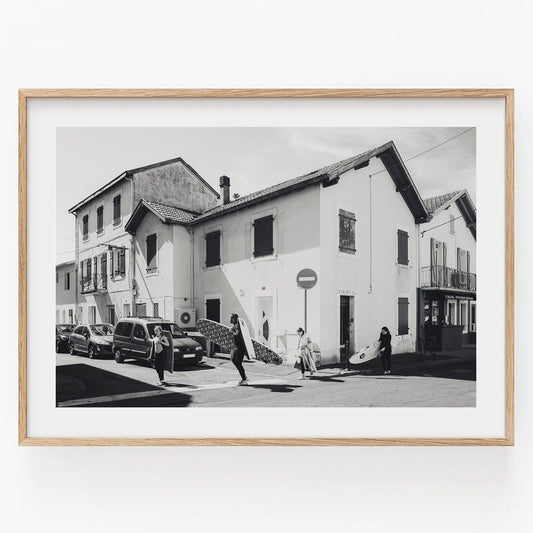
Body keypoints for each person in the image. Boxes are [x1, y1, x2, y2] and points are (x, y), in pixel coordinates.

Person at [230, 314, 248, 385]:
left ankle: (244, 380)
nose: (230, 320)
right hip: (237, 347)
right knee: (234, 360)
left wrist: (231, 331)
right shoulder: (236, 325)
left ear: (234, 319)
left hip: (240, 347)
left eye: (231, 318)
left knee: (237, 362)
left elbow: (237, 334)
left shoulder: (237, 325)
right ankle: (244, 377)